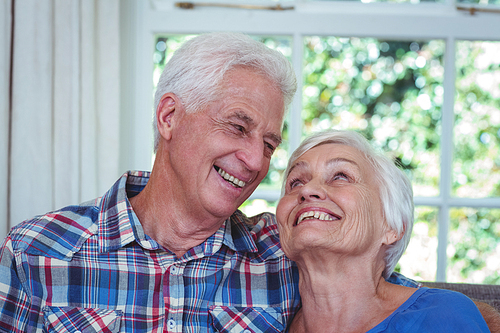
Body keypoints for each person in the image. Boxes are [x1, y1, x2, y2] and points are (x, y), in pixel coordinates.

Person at [0, 32, 301, 332]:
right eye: (237, 127)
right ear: (169, 117)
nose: (255, 161)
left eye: (269, 146)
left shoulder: (287, 256)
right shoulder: (33, 251)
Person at [276, 129, 491, 332]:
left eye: (340, 176)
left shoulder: (443, 317)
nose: (307, 190)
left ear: (391, 226)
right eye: (295, 182)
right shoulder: (264, 322)